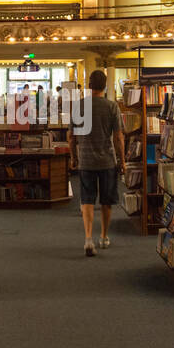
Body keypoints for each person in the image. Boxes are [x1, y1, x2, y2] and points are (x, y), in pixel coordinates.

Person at [71, 69, 125, 256]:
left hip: (86, 161)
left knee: (86, 200)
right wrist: (122, 160)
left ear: (89, 85)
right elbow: (118, 137)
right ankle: (103, 236)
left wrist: (73, 157)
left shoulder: (78, 107)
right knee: (106, 201)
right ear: (105, 86)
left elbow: (71, 137)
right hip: (107, 161)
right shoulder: (112, 107)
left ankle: (88, 238)